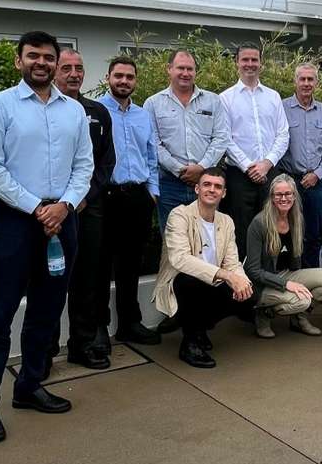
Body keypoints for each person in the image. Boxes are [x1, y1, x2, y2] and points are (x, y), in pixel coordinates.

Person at [0, 31, 94, 443]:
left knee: (47, 308)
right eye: (33, 56)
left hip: (63, 220)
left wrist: (65, 205)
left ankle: (28, 385)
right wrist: (36, 207)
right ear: (18, 60)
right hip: (15, 221)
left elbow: (84, 165)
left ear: (57, 63)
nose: (41, 63)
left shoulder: (73, 112)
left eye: (48, 57)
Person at [49, 49, 115, 372]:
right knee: (49, 276)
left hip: (89, 208)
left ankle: (83, 343)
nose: (74, 74)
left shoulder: (98, 112)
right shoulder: (43, 109)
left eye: (79, 68)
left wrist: (85, 195)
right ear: (55, 72)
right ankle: (44, 348)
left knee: (88, 277)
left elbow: (106, 162)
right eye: (67, 68)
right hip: (51, 210)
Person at [152, 167, 256, 368]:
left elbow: (232, 262)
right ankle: (189, 344)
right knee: (191, 282)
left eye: (218, 186)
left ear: (224, 193)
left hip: (212, 284)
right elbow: (180, 259)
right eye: (207, 184)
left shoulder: (226, 221)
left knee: (250, 295)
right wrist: (226, 275)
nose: (212, 190)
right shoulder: (180, 215)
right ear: (197, 189)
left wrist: (243, 282)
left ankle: (199, 328)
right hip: (181, 284)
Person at [95, 55, 161, 352]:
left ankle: (129, 324)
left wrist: (153, 192)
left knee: (130, 264)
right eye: (118, 75)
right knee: (101, 263)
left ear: (135, 80)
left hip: (138, 197)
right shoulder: (95, 111)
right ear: (108, 77)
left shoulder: (142, 114)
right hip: (106, 197)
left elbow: (151, 155)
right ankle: (98, 327)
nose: (124, 81)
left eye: (129, 77)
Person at [244, 174, 322, 338]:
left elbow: (296, 261)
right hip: (262, 283)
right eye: (279, 194)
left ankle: (299, 317)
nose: (284, 198)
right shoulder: (259, 223)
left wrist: (293, 282)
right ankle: (263, 313)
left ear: (294, 196)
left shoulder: (296, 219)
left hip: (288, 274)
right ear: (272, 197)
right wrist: (286, 284)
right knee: (301, 300)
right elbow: (252, 270)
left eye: (288, 194)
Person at [144, 50, 229, 232]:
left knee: (206, 239)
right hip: (169, 184)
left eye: (190, 69)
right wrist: (180, 170)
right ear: (169, 69)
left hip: (206, 183)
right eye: (180, 68)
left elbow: (221, 137)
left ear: (195, 71)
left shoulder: (213, 101)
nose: (185, 73)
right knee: (172, 242)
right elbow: (153, 143)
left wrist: (202, 168)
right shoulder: (153, 103)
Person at [220, 43, 290, 257]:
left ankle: (270, 277)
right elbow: (225, 138)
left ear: (261, 63)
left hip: (270, 173)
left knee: (272, 228)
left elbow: (283, 134)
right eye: (245, 60)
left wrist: (266, 164)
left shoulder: (273, 96)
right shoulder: (225, 98)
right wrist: (249, 166)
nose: (250, 64)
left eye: (254, 60)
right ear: (237, 63)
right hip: (239, 175)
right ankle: (243, 281)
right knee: (241, 229)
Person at [278, 63, 322, 267]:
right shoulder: (281, 108)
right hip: (289, 180)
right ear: (295, 81)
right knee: (288, 232)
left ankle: (312, 278)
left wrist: (318, 174)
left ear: (316, 82)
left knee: (314, 234)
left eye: (310, 79)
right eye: (302, 79)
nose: (306, 83)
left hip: (316, 181)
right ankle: (292, 275)